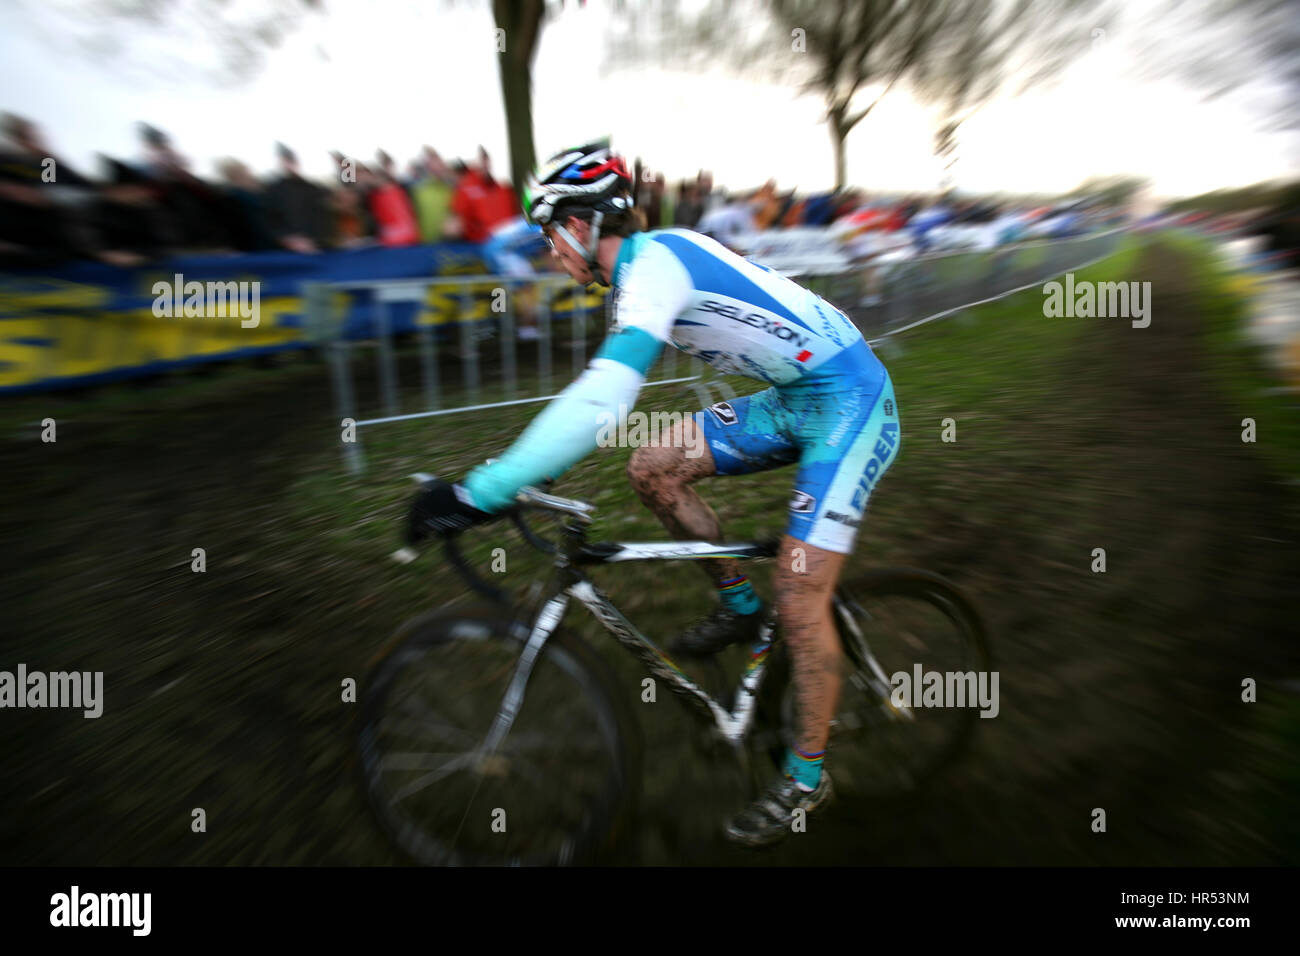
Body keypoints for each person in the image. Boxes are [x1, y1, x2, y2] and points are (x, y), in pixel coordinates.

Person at [406, 139, 901, 847]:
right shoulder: (640, 273)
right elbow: (592, 403)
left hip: (850, 399)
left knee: (800, 589)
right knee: (652, 467)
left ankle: (806, 776)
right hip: (794, 395)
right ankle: (736, 605)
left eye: (549, 235)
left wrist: (481, 491)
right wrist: (531, 474)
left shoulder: (655, 266)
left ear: (580, 225)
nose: (548, 253)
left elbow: (602, 399)